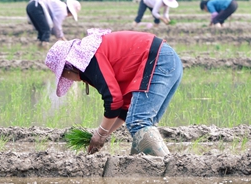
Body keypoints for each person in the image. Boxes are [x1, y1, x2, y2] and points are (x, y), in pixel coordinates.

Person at [45, 29, 182, 156]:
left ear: (67, 69)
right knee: (140, 122)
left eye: (63, 76)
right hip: (169, 60)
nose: (68, 80)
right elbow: (124, 108)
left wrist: (100, 133)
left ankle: (168, 167)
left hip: (158, 60)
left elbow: (113, 100)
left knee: (139, 122)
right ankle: (146, 169)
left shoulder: (91, 59)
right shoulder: (92, 57)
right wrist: (103, 135)